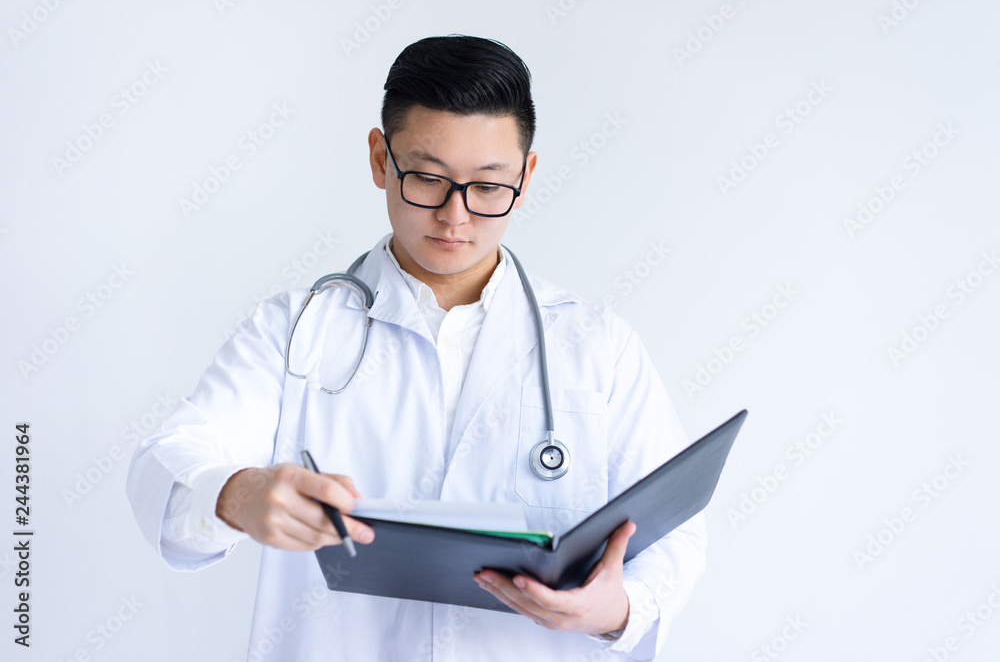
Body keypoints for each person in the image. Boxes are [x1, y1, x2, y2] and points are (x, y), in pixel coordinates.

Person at [127, 34, 707, 661]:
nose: (455, 216)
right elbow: (166, 462)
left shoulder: (598, 347)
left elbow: (675, 539)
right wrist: (237, 495)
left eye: (489, 187)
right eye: (427, 178)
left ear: (526, 176)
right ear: (381, 159)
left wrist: (617, 608)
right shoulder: (293, 331)